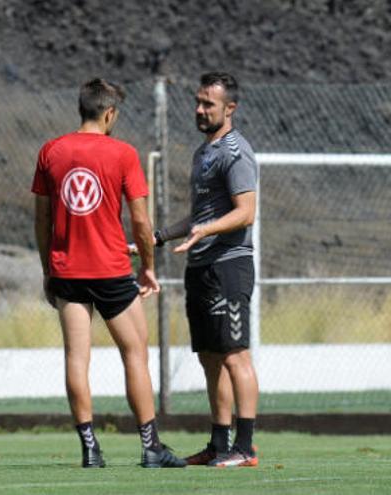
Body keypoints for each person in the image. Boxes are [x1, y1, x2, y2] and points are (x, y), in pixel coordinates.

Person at [31, 78, 186, 469]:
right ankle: (151, 447)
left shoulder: (51, 151)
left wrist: (48, 269)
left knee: (76, 358)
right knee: (134, 353)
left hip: (67, 270)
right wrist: (148, 267)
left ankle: (90, 449)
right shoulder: (122, 153)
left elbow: (42, 218)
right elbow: (139, 219)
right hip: (111, 269)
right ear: (110, 113)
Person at [154, 72, 259, 467]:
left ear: (229, 108)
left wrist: (207, 229)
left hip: (228, 266)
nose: (199, 110)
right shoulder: (203, 152)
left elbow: (246, 212)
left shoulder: (236, 152)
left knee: (235, 356)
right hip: (200, 267)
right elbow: (199, 216)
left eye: (208, 104)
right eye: (198, 102)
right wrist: (159, 236)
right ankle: (219, 444)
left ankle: (246, 448)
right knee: (210, 358)